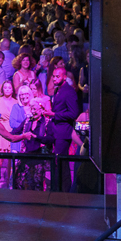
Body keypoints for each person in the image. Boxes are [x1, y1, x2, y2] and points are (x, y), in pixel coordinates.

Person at [48, 64, 79, 192]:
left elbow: (74, 113)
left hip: (64, 132)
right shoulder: (58, 90)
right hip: (56, 131)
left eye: (57, 76)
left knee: (61, 162)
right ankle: (59, 189)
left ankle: (64, 190)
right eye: (53, 76)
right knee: (58, 162)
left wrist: (54, 114)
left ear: (64, 77)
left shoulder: (69, 91)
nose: (54, 79)